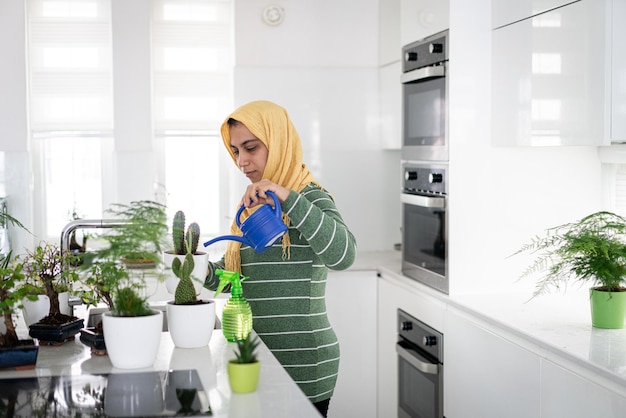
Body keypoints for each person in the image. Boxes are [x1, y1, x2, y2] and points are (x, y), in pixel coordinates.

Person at [203, 100, 357, 417]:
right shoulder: (254, 206)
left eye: (251, 148)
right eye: (235, 151)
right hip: (261, 363)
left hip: (305, 365)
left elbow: (344, 255)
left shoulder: (309, 196)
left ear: (277, 141)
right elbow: (238, 278)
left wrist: (287, 196)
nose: (242, 161)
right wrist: (194, 267)